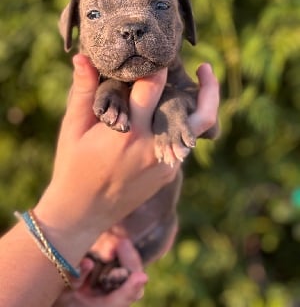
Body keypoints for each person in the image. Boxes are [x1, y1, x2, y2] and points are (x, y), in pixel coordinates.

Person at [0, 54, 219, 307]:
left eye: (161, 9)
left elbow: (202, 120)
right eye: (93, 13)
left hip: (138, 239)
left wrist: (63, 300)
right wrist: (72, 215)